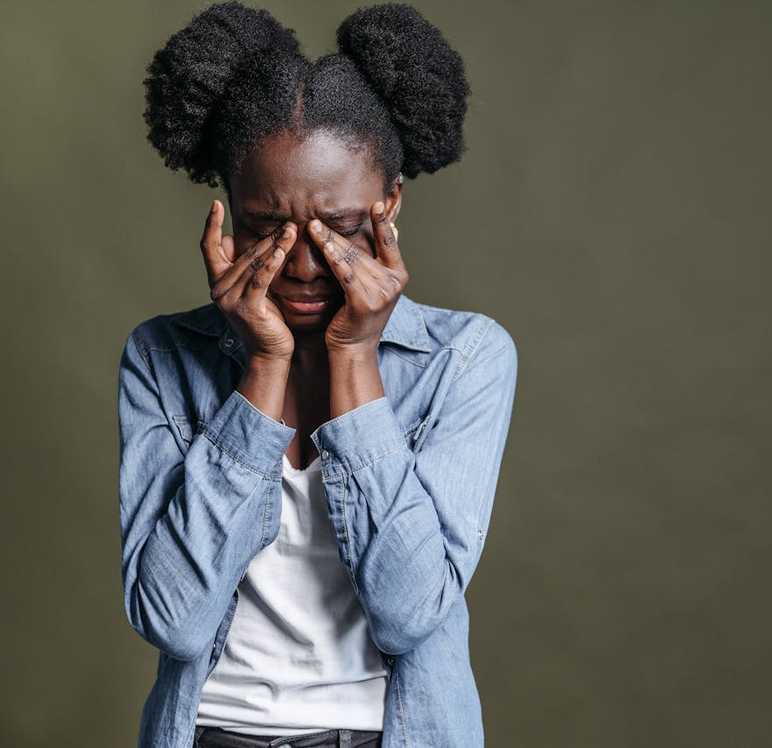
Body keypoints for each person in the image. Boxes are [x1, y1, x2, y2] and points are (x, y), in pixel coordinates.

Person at [116, 3, 518, 746]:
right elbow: (173, 620)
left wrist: (354, 357)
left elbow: (409, 613)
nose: (302, 265)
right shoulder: (161, 356)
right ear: (226, 213)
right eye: (265, 228)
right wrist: (264, 366)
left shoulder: (466, 358)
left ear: (389, 203)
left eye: (339, 229)